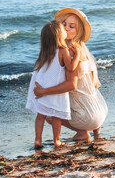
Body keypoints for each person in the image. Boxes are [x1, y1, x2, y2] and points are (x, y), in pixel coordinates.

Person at [34, 8, 108, 141]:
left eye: (71, 26)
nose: (66, 28)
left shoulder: (70, 52)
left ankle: (82, 132)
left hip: (87, 117)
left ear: (78, 32)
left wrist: (43, 91)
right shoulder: (84, 50)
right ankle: (96, 132)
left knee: (50, 115)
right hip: (100, 112)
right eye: (64, 24)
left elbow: (71, 85)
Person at [26, 20, 80, 148]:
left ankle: (38, 140)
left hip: (42, 91)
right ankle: (57, 140)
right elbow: (71, 67)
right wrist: (77, 55)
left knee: (40, 117)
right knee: (56, 118)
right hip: (55, 92)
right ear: (59, 35)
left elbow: (38, 72)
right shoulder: (62, 50)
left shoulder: (43, 54)